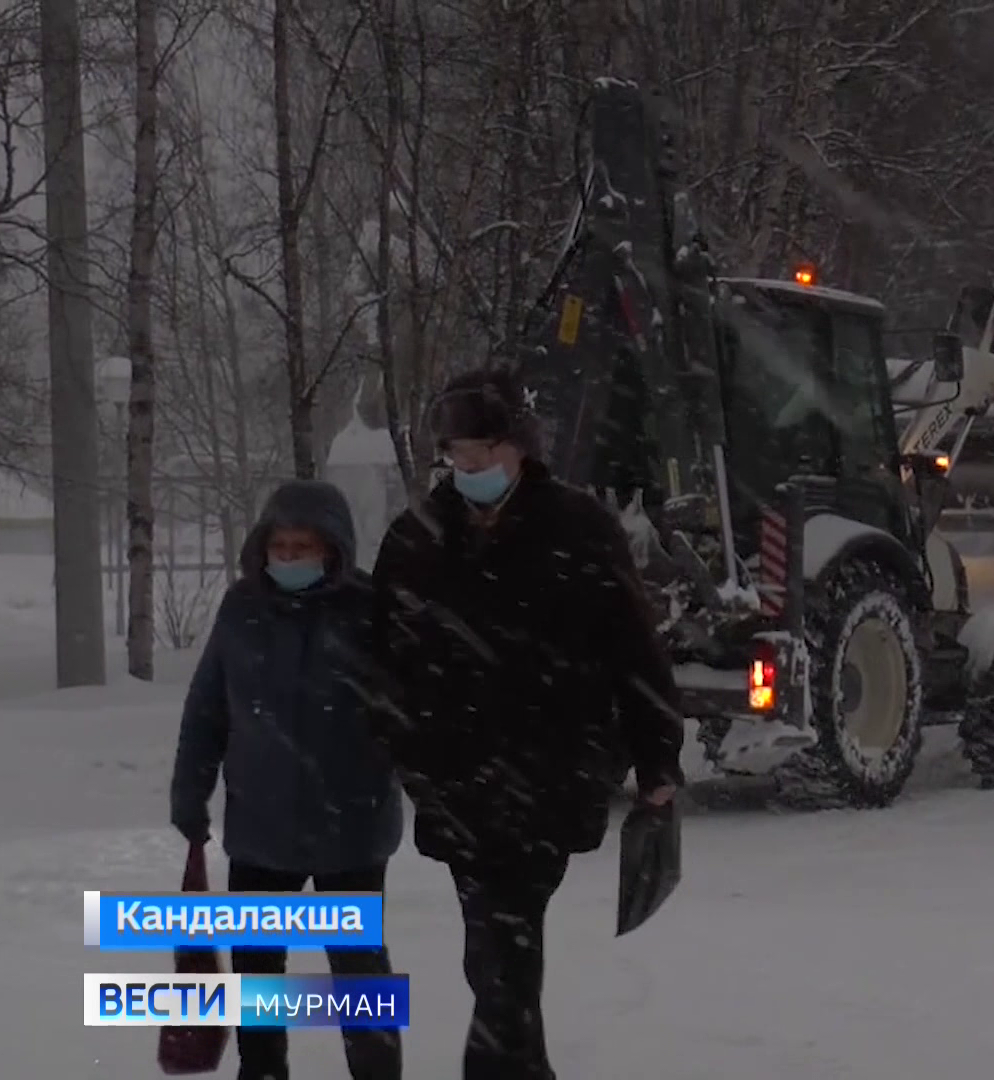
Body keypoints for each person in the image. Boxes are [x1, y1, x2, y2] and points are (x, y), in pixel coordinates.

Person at [369, 365, 685, 1080]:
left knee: (501, 948)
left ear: (519, 446)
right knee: (500, 952)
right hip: (453, 780)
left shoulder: (577, 529)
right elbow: (383, 657)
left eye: (482, 449)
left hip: (549, 776)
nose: (469, 465)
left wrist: (656, 760)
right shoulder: (418, 538)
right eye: (457, 453)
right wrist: (401, 747)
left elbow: (632, 648)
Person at [169, 479, 404, 1080]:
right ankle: (263, 1071)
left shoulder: (370, 611)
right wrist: (189, 793)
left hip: (350, 825)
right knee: (257, 973)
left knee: (359, 974)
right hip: (261, 825)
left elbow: (411, 712)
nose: (291, 557)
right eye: (282, 544)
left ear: (333, 548)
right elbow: (207, 709)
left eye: (305, 545)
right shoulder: (241, 609)